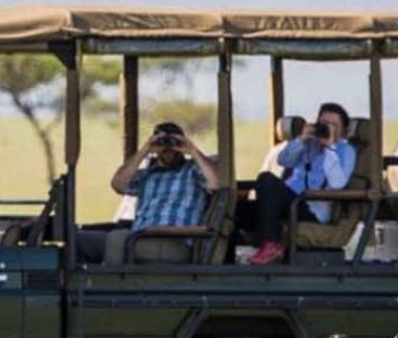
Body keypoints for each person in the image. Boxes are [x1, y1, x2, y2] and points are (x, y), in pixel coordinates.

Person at [81, 121, 220, 264]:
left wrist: (192, 150)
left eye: (174, 142)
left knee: (118, 239)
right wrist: (144, 150)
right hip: (139, 238)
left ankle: (114, 285)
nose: (168, 148)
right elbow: (118, 185)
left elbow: (217, 184)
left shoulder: (193, 171)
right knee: (78, 240)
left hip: (173, 242)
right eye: (161, 143)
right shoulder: (147, 174)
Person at [240, 102, 356, 265]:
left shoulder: (346, 151)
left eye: (333, 125)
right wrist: (301, 139)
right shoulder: (309, 144)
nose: (327, 128)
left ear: (343, 130)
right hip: (290, 200)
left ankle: (272, 246)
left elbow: (337, 183)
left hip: (312, 207)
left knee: (266, 179)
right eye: (323, 124)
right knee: (238, 210)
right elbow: (283, 160)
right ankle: (222, 264)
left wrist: (330, 148)